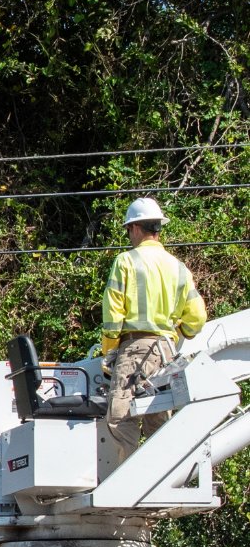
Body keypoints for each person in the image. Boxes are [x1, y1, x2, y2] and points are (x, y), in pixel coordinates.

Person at [101, 197, 207, 461]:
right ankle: (158, 477)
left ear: (136, 228)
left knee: (118, 417)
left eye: (128, 230)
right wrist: (179, 334)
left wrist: (110, 352)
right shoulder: (179, 267)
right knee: (157, 418)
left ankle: (131, 476)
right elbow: (197, 317)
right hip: (166, 353)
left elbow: (113, 316)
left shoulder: (126, 262)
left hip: (135, 350)